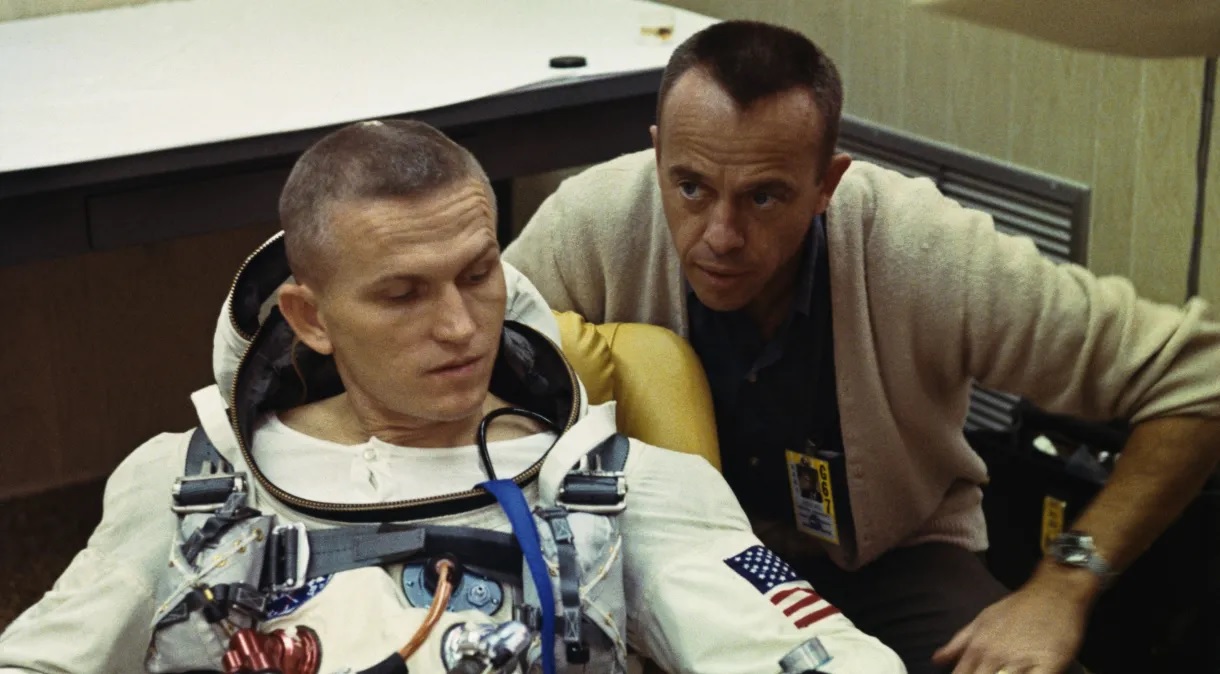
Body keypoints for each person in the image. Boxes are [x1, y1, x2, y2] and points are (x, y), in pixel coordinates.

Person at [0, 119, 904, 674]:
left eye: (477, 275)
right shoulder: (184, 487)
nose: (463, 327)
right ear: (310, 317)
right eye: (402, 294)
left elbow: (811, 655)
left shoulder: (619, 487)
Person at [502, 19, 1220, 674]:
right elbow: (472, 365)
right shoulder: (595, 221)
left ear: (827, 185)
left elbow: (1200, 373)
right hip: (663, 559)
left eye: (763, 197)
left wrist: (1064, 585)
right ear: (658, 154)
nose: (720, 236)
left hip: (891, 562)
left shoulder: (926, 251)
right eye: (690, 187)